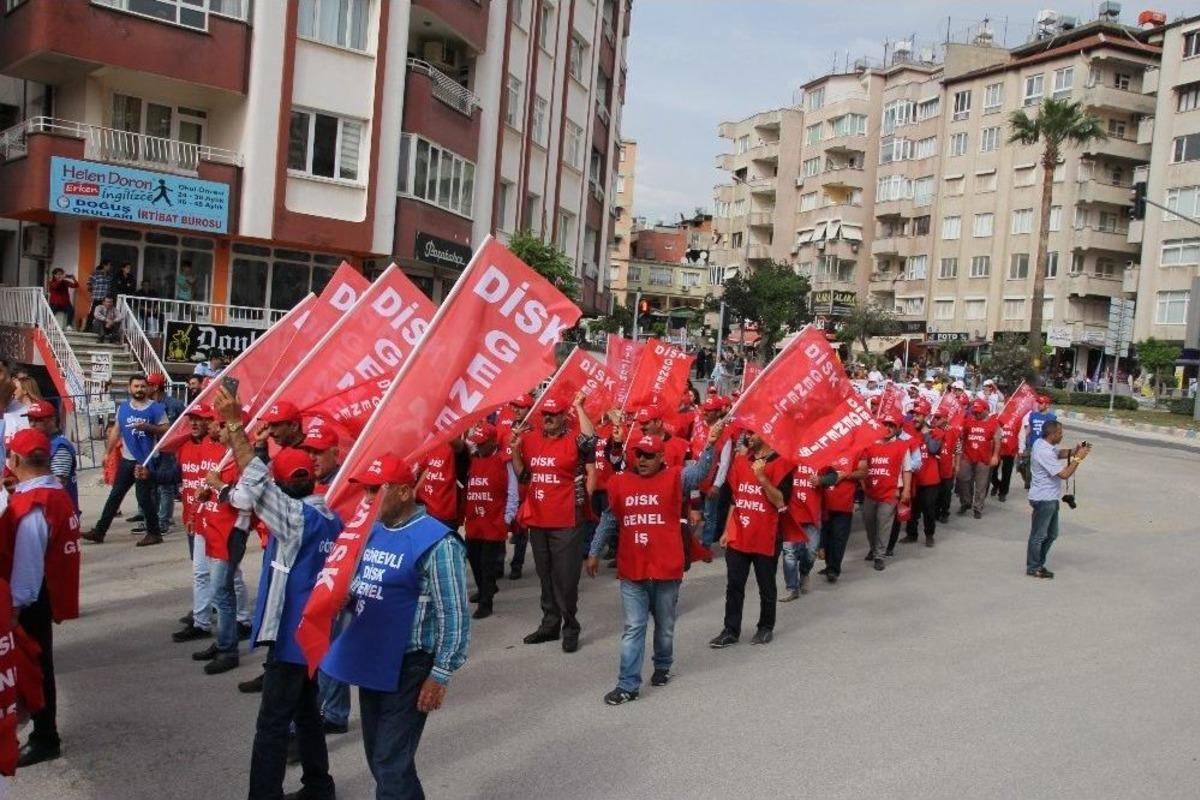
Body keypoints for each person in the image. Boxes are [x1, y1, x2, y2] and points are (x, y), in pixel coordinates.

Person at [212, 386, 342, 800]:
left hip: (291, 637)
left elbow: (253, 479)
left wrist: (235, 425)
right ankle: (319, 786)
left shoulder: (292, 518)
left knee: (271, 725)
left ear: (283, 484)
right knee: (306, 714)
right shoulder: (328, 514)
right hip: (313, 633)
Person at [321, 454, 470, 800]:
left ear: (404, 492)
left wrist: (441, 674)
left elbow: (455, 614)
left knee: (390, 760)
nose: (367, 500)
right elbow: (365, 584)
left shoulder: (438, 542)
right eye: (366, 492)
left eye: (375, 491)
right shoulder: (373, 532)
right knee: (382, 758)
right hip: (373, 659)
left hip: (410, 665)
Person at [586, 426, 720, 705]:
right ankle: (627, 685)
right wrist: (594, 550)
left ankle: (662, 666)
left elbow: (700, 473)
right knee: (634, 626)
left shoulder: (675, 478)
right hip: (633, 570)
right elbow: (610, 520)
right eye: (639, 455)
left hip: (666, 568)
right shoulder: (621, 483)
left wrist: (709, 444)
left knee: (665, 624)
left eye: (649, 455)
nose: (643, 460)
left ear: (661, 456)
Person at [1, 428, 80, 768]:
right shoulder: (53, 494)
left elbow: (28, 566)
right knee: (38, 665)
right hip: (44, 594)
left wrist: (15, 610)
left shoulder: (33, 505)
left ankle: (45, 735)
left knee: (35, 668)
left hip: (30, 600)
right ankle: (41, 730)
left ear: (16, 460)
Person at [510, 393, 595, 653]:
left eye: (553, 414)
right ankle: (549, 625)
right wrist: (515, 451)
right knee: (545, 575)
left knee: (566, 578)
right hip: (538, 518)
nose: (547, 418)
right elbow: (523, 475)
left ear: (563, 417)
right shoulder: (531, 439)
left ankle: (570, 627)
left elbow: (590, 439)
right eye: (544, 414)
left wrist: (579, 406)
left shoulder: (574, 439)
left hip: (567, 519)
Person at [709, 432, 791, 648]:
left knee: (766, 585)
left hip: (766, 536)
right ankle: (730, 629)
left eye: (753, 432)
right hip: (740, 533)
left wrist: (763, 478)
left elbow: (781, 502)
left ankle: (765, 627)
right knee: (734, 584)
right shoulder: (741, 461)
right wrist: (727, 529)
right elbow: (736, 499)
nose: (748, 436)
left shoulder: (783, 464)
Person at [83, 375, 169, 546]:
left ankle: (154, 532)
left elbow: (166, 429)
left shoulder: (156, 408)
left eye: (143, 386)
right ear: (130, 388)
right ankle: (100, 531)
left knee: (144, 497)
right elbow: (116, 431)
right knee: (115, 495)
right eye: (136, 386)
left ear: (148, 388)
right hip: (127, 459)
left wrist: (148, 427)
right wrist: (107, 453)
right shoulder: (123, 408)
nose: (139, 389)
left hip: (146, 460)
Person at [170, 405, 224, 644]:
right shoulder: (187, 448)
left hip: (220, 522)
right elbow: (176, 477)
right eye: (190, 419)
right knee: (200, 571)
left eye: (201, 419)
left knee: (227, 578)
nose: (194, 424)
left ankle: (240, 621)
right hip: (196, 518)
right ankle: (202, 619)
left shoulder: (225, 450)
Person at [462, 423, 518, 619]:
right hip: (475, 520)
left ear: (493, 442)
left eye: (483, 443)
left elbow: (512, 491)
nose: (479, 447)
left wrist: (507, 518)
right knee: (474, 559)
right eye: (477, 443)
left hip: (494, 521)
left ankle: (486, 603)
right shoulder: (473, 459)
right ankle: (485, 588)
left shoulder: (504, 461)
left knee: (487, 564)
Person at [849, 409, 913, 571]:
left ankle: (879, 555)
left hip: (890, 493)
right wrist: (863, 486)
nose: (888, 428)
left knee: (884, 525)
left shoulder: (902, 446)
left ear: (896, 428)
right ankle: (873, 548)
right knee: (869, 523)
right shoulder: (869, 444)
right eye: (885, 424)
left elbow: (907, 470)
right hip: (870, 493)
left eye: (892, 425)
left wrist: (905, 491)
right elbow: (862, 467)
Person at [1026, 421, 1091, 579]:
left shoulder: (1042, 443)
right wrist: (1078, 459)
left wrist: (1075, 450)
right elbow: (1064, 474)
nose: (1062, 435)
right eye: (1060, 433)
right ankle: (1034, 566)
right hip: (1044, 498)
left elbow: (1059, 453)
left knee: (1052, 534)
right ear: (1052, 434)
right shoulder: (1044, 452)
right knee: (1039, 535)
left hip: (1050, 497)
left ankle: (1038, 563)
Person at [21, 401, 78, 515]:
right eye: (30, 420)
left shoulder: (60, 446)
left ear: (52, 420)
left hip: (58, 512)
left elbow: (58, 483)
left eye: (38, 420)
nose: (32, 424)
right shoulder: (45, 443)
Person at [779, 457, 821, 601]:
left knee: (811, 551)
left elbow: (833, 476)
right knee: (789, 553)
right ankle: (792, 588)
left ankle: (804, 572)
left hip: (812, 516)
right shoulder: (786, 457)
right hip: (790, 515)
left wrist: (822, 480)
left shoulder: (820, 456)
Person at [956, 398, 1000, 519]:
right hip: (967, 456)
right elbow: (961, 437)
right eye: (975, 411)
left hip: (984, 458)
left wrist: (995, 456)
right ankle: (966, 502)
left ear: (986, 410)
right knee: (963, 479)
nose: (976, 414)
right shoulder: (967, 421)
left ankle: (978, 507)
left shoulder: (993, 423)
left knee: (981, 484)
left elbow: (997, 441)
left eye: (979, 411)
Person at [817, 452, 857, 583]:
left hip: (843, 503)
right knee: (826, 536)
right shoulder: (824, 450)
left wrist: (846, 474)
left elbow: (863, 472)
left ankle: (834, 569)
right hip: (824, 502)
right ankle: (830, 565)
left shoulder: (856, 450)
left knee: (839, 537)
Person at [1018, 394, 1057, 490]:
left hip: (1043, 448)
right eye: (1038, 403)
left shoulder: (1051, 417)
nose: (1039, 405)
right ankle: (1029, 481)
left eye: (1041, 403)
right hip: (1031, 446)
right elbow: (1028, 429)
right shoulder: (1033, 415)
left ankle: (1036, 485)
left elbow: (1054, 433)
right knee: (1022, 465)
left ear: (1047, 405)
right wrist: (1021, 441)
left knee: (1041, 468)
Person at [85, 260, 113, 327]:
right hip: (97, 297)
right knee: (93, 312)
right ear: (104, 265)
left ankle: (102, 329)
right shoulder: (95, 273)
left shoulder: (109, 275)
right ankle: (88, 327)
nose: (110, 267)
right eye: (109, 265)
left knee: (104, 314)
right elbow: (88, 283)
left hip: (105, 299)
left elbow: (110, 286)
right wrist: (92, 292)